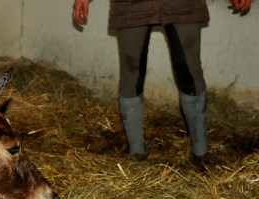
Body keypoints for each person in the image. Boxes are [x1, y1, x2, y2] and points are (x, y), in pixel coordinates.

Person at [72, 0, 253, 166]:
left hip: (182, 4)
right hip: (132, 5)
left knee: (190, 70)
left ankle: (201, 153)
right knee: (131, 73)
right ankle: (136, 154)